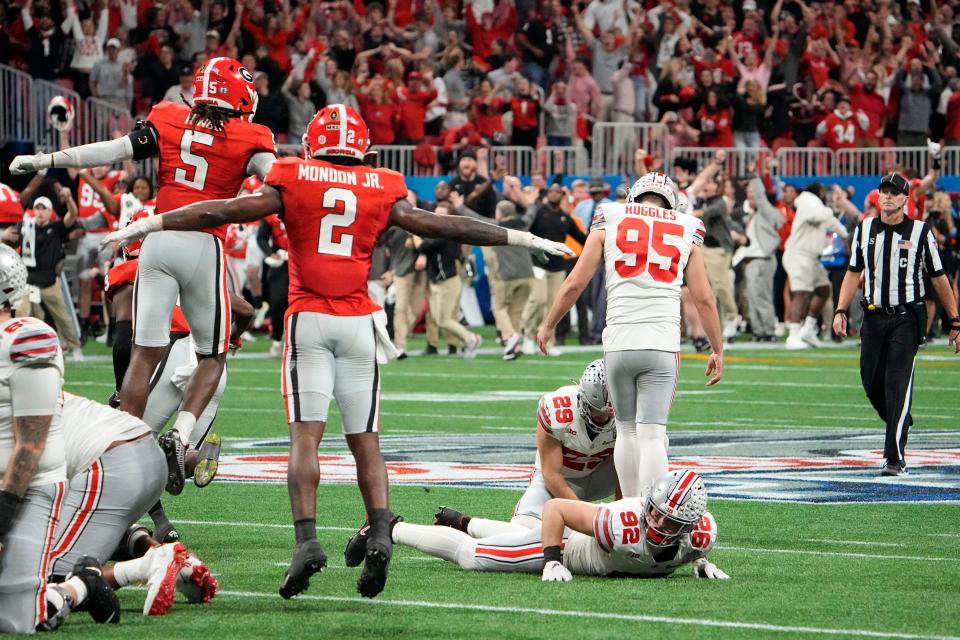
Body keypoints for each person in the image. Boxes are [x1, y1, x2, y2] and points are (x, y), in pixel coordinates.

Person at [101, 104, 573, 601]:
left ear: (313, 146)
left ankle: (307, 542)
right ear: (361, 149)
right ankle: (381, 532)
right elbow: (442, 225)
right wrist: (524, 236)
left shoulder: (292, 174)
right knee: (366, 440)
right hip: (358, 323)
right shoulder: (380, 182)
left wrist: (149, 227)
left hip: (308, 319)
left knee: (305, 438)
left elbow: (222, 210)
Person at [9, 57, 278, 455]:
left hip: (157, 239)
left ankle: (125, 447)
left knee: (143, 354)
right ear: (239, 92)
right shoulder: (251, 135)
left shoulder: (169, 117)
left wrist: (46, 160)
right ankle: (181, 435)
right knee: (213, 354)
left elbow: (108, 152)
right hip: (203, 242)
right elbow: (283, 182)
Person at [536, 173, 724, 498]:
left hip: (619, 340)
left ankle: (630, 510)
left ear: (634, 197)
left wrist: (549, 323)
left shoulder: (611, 216)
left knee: (626, 431)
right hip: (661, 343)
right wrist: (717, 348)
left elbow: (575, 283)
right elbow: (704, 297)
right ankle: (651, 514)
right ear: (671, 203)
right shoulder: (686, 226)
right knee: (652, 435)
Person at [0, 245, 121, 632]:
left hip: (25, 491)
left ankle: (78, 585)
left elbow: (31, 445)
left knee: (16, 621)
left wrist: (0, 521)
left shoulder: (25, 340)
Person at [345, 470, 729, 582]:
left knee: (514, 539)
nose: (657, 521)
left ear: (689, 526)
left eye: (669, 520)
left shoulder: (699, 537)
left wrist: (698, 562)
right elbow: (557, 509)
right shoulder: (619, 523)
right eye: (656, 511)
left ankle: (462, 521)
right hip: (570, 545)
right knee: (474, 558)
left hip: (577, 545)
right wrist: (551, 559)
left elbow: (690, 546)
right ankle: (387, 527)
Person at [833, 173, 960, 476]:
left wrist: (955, 320)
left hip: (907, 317)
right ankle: (898, 418)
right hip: (874, 315)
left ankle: (894, 456)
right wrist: (840, 310)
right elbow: (853, 272)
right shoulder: (865, 228)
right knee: (870, 380)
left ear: (906, 199)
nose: (888, 197)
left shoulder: (920, 231)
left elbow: (939, 277)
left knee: (897, 384)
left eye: (894, 192)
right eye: (884, 192)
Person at [49, 392, 218, 617]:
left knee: (45, 587)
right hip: (145, 450)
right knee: (76, 521)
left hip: (110, 466)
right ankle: (173, 560)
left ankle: (143, 567)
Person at [435, 359, 616, 537]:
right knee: (524, 529)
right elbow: (551, 474)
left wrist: (625, 512)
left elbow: (628, 469)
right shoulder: (557, 409)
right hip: (559, 479)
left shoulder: (632, 409)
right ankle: (466, 525)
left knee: (637, 470)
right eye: (596, 411)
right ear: (583, 398)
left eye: (608, 412)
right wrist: (583, 515)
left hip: (603, 477)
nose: (602, 418)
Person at [783, 184, 849, 350]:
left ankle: (808, 330)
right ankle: (793, 335)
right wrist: (830, 210)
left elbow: (829, 221)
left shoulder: (816, 205)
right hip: (798, 254)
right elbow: (819, 216)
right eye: (824, 192)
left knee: (823, 290)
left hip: (811, 258)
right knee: (802, 293)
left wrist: (844, 233)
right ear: (819, 192)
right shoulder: (807, 200)